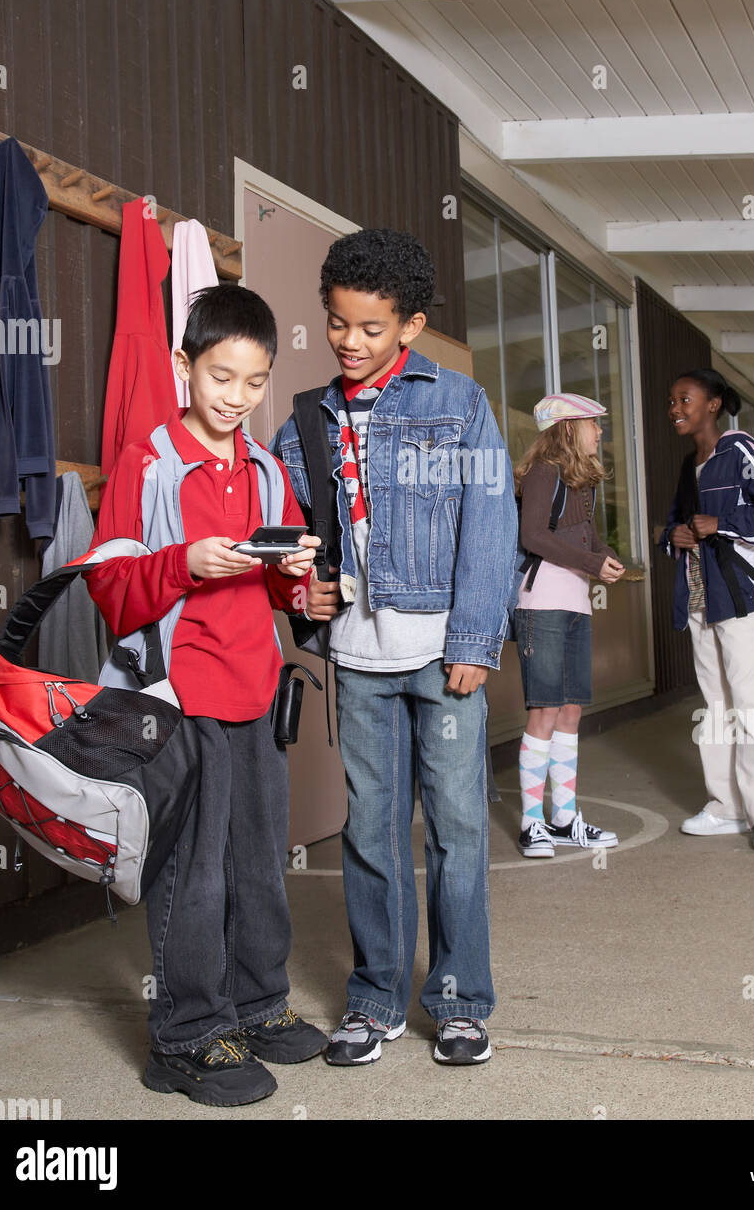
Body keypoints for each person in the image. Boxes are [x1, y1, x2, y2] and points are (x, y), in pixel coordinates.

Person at [270, 228, 517, 1068]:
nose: (350, 341)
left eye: (371, 328)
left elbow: (491, 526)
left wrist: (476, 642)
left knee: (455, 831)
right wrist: (304, 595)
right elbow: (300, 547)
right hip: (358, 660)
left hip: (443, 654)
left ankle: (457, 1002)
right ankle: (373, 998)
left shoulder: (459, 404)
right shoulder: (304, 421)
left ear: (409, 326)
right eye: (338, 323)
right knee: (371, 834)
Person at [87, 284, 329, 1107]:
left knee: (257, 861)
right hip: (174, 699)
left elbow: (278, 583)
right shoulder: (146, 464)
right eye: (220, 377)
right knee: (191, 873)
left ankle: (256, 1006)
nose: (236, 398)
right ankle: (186, 1037)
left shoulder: (263, 468)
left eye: (254, 382)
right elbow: (112, 590)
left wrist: (298, 584)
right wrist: (186, 563)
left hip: (254, 691)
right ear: (183, 365)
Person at [660, 369, 754, 849]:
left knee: (748, 699)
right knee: (714, 705)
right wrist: (671, 536)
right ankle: (726, 807)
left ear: (713, 404)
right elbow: (679, 523)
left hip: (734, 594)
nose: (675, 408)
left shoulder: (740, 450)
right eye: (672, 401)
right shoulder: (688, 465)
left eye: (685, 399)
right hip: (697, 595)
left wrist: (722, 523)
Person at [512, 395, 625, 858]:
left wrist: (606, 559)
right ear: (566, 429)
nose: (599, 433)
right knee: (544, 710)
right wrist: (591, 561)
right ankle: (531, 823)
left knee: (572, 711)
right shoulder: (545, 474)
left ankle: (564, 819)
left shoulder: (582, 482)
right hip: (542, 604)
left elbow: (586, 537)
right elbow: (532, 536)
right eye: (592, 425)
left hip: (576, 604)